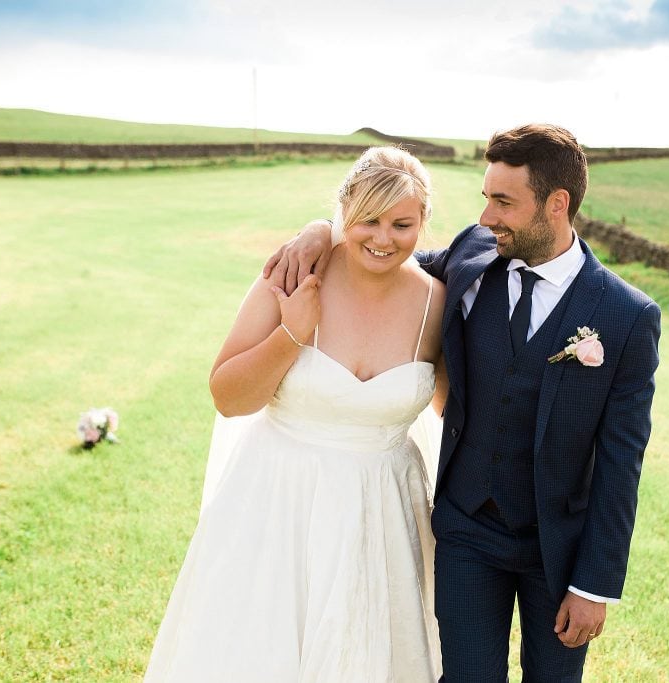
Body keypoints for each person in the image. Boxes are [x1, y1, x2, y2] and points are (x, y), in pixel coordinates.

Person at [265, 124, 661, 681]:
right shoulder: (472, 257)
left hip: (560, 552)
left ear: (557, 204)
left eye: (503, 201)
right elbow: (383, 250)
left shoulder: (627, 316)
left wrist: (593, 585)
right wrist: (320, 232)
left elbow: (623, 461)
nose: (486, 217)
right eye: (485, 198)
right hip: (467, 533)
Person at [144, 146, 448, 682]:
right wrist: (291, 334)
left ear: (423, 223)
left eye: (401, 223)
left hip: (384, 512)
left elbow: (454, 407)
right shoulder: (293, 272)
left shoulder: (438, 303)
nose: (382, 238)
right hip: (278, 501)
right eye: (368, 220)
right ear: (342, 213)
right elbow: (228, 397)